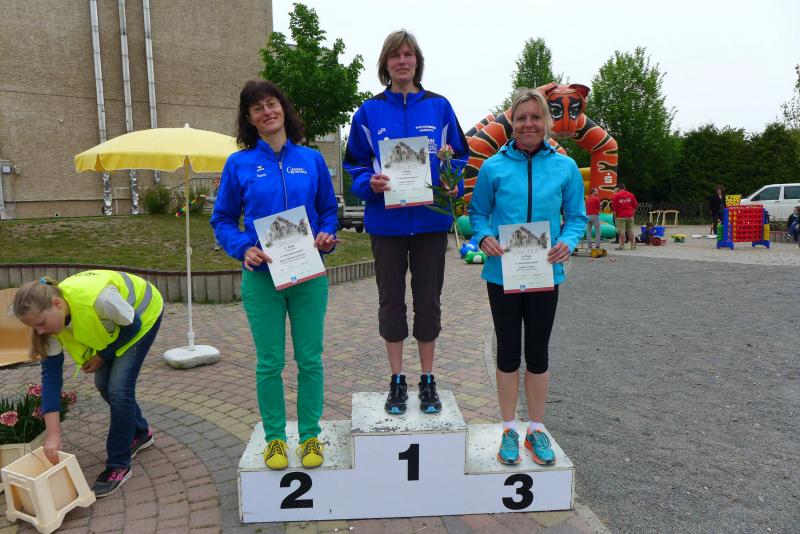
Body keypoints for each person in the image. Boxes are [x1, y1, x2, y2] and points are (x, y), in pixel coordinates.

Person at [211, 80, 338, 471]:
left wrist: (327, 235)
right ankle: (275, 440)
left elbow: (328, 211)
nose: (267, 112)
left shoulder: (312, 159)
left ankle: (310, 434)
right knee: (269, 363)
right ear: (249, 119)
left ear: (283, 108)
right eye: (257, 108)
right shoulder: (239, 164)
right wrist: (241, 247)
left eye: (272, 104)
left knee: (310, 360)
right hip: (262, 278)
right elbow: (222, 219)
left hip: (309, 277)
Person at [343, 30, 468, 415]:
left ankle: (427, 378)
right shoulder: (368, 112)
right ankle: (397, 379)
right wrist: (369, 183)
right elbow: (354, 165)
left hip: (431, 223)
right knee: (391, 303)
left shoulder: (439, 107)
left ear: (417, 61)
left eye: (408, 54)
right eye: (395, 55)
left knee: (428, 303)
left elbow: (459, 158)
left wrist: (453, 180)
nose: (402, 61)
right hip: (387, 226)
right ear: (385, 63)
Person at [469, 88, 587, 466]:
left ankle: (536, 429)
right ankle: (508, 429)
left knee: (537, 352)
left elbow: (577, 217)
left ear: (546, 122)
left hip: (545, 272)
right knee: (507, 351)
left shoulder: (566, 167)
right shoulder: (493, 167)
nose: (528, 124)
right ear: (512, 123)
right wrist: (483, 237)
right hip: (502, 273)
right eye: (521, 118)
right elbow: (477, 214)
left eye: (536, 117)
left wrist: (568, 241)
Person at [13, 270, 163, 497]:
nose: (40, 331)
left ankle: (119, 464)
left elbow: (133, 325)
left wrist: (102, 356)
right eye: (34, 327)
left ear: (57, 304)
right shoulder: (49, 328)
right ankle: (141, 432)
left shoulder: (100, 299)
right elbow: (51, 380)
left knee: (119, 390)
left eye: (41, 323)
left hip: (142, 314)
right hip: (117, 323)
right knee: (103, 385)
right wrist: (53, 435)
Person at [611, 183, 638, 250]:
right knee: (630, 230)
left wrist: (615, 218)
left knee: (621, 231)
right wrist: (633, 214)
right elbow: (635, 206)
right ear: (624, 188)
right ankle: (633, 246)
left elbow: (614, 209)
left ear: (618, 188)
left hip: (620, 216)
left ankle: (622, 245)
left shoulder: (616, 196)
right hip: (630, 215)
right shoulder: (631, 194)